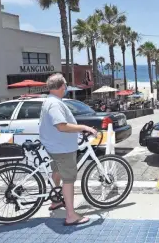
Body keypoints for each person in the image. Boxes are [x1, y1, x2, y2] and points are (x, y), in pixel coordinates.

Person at [39, 73, 97, 226]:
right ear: (62, 86)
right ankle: (71, 215)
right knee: (69, 180)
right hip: (62, 148)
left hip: (55, 146)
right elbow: (61, 125)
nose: (65, 88)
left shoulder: (49, 101)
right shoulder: (55, 104)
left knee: (57, 171)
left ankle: (56, 200)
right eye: (65, 85)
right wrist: (83, 127)